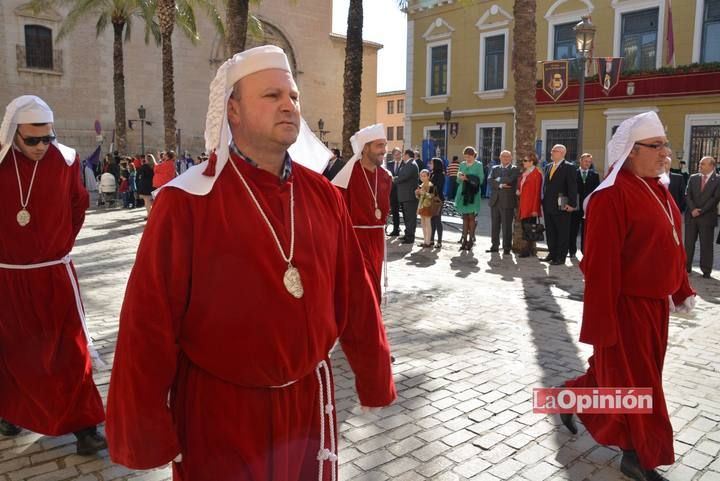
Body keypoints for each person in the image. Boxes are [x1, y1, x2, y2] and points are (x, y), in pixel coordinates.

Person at [106, 45, 396, 481]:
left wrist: (375, 376)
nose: (289, 105)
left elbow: (356, 294)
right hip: (219, 411)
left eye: (293, 96)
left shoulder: (323, 197)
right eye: (271, 95)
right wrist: (144, 429)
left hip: (306, 408)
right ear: (233, 111)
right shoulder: (186, 202)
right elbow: (148, 321)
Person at [562, 111, 695, 481]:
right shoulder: (612, 196)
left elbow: (674, 245)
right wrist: (602, 325)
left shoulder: (660, 190)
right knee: (640, 385)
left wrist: (681, 290)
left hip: (656, 307)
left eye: (665, 145)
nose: (665, 152)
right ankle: (638, 456)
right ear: (631, 152)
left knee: (621, 379)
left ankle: (567, 397)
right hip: (626, 308)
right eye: (657, 146)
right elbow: (601, 267)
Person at [0, 95, 106, 454]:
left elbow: (79, 206)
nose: (42, 146)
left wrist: (56, 245)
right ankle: (10, 411)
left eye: (48, 137)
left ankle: (85, 427)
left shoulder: (66, 160)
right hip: (7, 277)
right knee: (13, 352)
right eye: (33, 139)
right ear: (14, 133)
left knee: (70, 353)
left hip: (54, 274)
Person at [331, 123, 392, 302]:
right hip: (354, 239)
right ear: (365, 148)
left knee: (374, 286)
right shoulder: (348, 175)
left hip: (377, 240)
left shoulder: (386, 177)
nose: (384, 150)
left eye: (385, 145)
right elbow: (336, 210)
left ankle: (371, 325)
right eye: (379, 145)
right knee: (362, 289)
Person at [541, 144, 577, 265]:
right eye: (551, 150)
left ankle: (561, 257)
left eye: (554, 151)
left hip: (563, 204)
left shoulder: (569, 167)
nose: (551, 152)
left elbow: (572, 186)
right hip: (548, 205)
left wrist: (572, 204)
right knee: (550, 231)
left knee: (562, 231)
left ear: (562, 153)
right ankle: (552, 253)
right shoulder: (548, 166)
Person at [685, 156, 720, 279]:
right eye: (699, 164)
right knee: (688, 243)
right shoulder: (693, 178)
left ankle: (706, 270)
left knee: (706, 245)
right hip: (691, 216)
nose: (699, 166)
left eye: (702, 164)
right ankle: (686, 267)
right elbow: (687, 195)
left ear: (711, 166)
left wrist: (701, 211)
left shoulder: (718, 180)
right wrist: (693, 209)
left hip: (707, 217)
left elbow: (715, 199)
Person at [486, 150, 519, 255]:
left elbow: (510, 179)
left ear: (511, 158)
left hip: (508, 202)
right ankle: (494, 246)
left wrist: (498, 179)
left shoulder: (514, 169)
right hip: (495, 201)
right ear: (500, 157)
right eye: (503, 156)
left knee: (506, 226)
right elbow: (489, 180)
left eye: (507, 156)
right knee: (494, 225)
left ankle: (506, 248)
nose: (505, 158)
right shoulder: (495, 168)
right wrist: (500, 184)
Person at [569, 153, 600, 256]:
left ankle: (584, 251)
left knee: (585, 230)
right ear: (581, 161)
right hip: (575, 206)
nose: (587, 163)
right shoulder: (573, 173)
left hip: (588, 207)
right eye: (586, 161)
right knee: (573, 229)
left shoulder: (594, 175)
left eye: (589, 162)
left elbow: (597, 192)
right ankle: (572, 250)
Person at [455, 146, 484, 250]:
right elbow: (458, 181)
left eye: (469, 157)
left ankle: (471, 240)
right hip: (463, 192)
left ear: (473, 155)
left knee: (471, 216)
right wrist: (460, 177)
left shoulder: (478, 165)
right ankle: (464, 240)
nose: (467, 159)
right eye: (465, 157)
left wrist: (467, 178)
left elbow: (480, 180)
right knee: (465, 217)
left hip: (473, 193)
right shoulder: (462, 164)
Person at [517, 152, 543, 258]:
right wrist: (519, 189)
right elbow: (521, 184)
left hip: (531, 205)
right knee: (525, 227)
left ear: (532, 162)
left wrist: (535, 209)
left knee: (528, 228)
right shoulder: (525, 172)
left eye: (525, 160)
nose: (523, 162)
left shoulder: (537, 174)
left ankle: (527, 250)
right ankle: (529, 249)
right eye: (523, 160)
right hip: (524, 203)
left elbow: (537, 192)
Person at [395, 149, 420, 244]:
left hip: (409, 196)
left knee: (410, 218)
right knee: (407, 217)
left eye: (403, 154)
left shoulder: (412, 164)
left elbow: (404, 177)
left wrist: (393, 180)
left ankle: (410, 237)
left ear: (407, 155)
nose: (402, 156)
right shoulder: (408, 164)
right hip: (405, 195)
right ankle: (407, 234)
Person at [385, 147, 402, 236]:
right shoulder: (389, 164)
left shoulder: (404, 164)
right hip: (393, 191)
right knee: (395, 211)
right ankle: (396, 229)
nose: (397, 156)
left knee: (405, 212)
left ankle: (407, 231)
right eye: (395, 155)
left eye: (398, 154)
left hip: (402, 191)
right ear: (393, 155)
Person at [415, 169, 435, 248]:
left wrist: (424, 193)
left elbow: (432, 196)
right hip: (421, 206)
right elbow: (419, 197)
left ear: (428, 176)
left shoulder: (431, 185)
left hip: (428, 206)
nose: (422, 178)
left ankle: (428, 242)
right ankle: (425, 241)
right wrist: (417, 193)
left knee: (427, 223)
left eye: (424, 176)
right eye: (421, 176)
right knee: (423, 224)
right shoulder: (421, 185)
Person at [429, 157, 445, 248]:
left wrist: (429, 186)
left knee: (437, 220)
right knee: (432, 220)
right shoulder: (432, 174)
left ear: (436, 164)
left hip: (438, 200)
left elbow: (438, 187)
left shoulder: (440, 175)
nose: (430, 164)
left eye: (432, 163)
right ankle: (431, 240)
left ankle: (439, 241)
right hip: (431, 199)